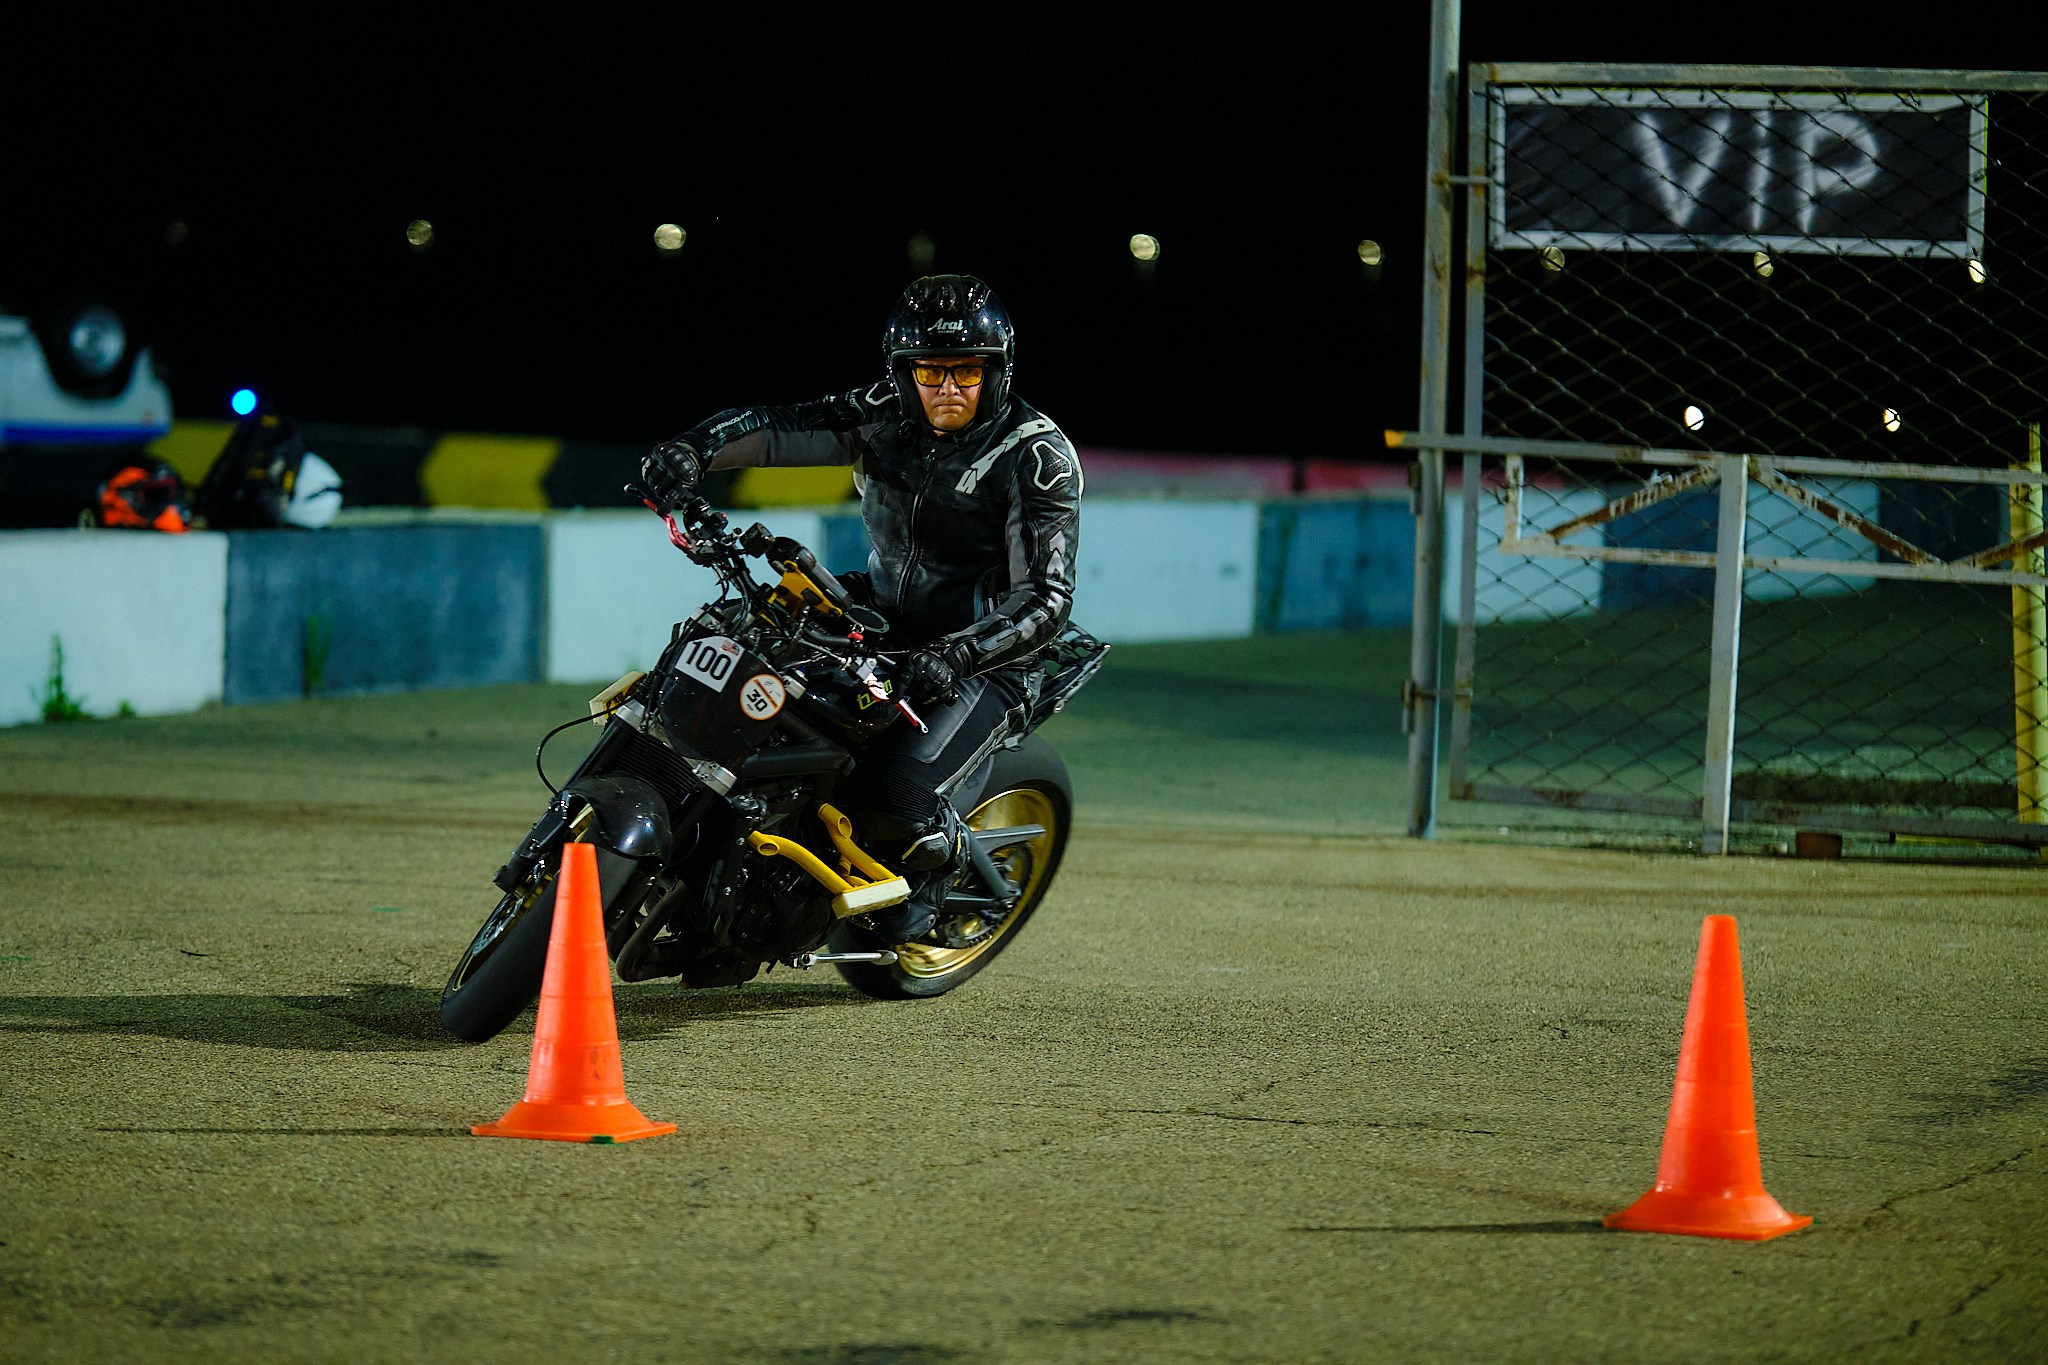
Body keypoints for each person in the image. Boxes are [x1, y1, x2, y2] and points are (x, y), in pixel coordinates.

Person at [639, 274, 1082, 943]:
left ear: (998, 371)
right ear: (903, 373)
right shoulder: (884, 410)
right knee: (731, 663)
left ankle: (940, 867)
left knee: (892, 799)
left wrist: (958, 652)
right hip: (875, 611)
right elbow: (782, 424)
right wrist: (693, 447)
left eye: (968, 371)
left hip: (983, 656)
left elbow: (1047, 597)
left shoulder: (1037, 456)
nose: (949, 389)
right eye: (930, 370)